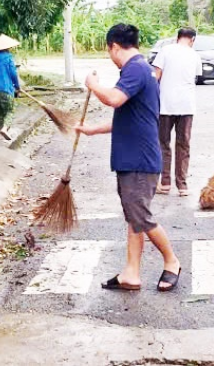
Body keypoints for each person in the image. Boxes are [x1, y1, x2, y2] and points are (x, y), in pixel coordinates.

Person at [75, 24, 181, 292]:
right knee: (134, 218)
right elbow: (131, 118)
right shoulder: (140, 69)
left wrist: (93, 84)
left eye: (108, 50)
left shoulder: (135, 68)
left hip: (139, 160)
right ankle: (131, 273)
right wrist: (92, 130)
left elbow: (113, 99)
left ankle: (172, 261)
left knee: (141, 216)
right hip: (132, 158)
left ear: (114, 46)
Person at [153, 27, 203, 196]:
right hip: (187, 106)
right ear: (192, 40)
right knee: (183, 145)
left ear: (177, 38)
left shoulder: (165, 50)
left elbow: (156, 76)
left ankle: (165, 183)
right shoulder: (195, 55)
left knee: (163, 144)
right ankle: (182, 186)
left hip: (165, 105)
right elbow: (195, 77)